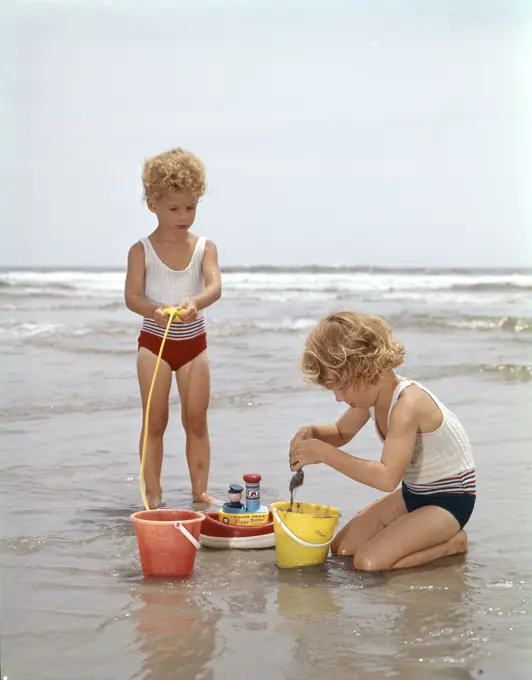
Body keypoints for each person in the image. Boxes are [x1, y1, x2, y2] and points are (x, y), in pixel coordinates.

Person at [289, 311, 475, 571]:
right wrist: (313, 433)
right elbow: (341, 432)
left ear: (364, 368)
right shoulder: (372, 396)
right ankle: (414, 530)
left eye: (341, 386)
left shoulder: (407, 405)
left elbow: (387, 478)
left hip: (449, 500)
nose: (338, 398)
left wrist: (324, 454)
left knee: (367, 563)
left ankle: (452, 544)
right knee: (341, 549)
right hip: (414, 494)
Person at [124, 147, 221, 508]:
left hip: (194, 347)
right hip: (154, 346)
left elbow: (215, 286)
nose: (184, 216)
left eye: (191, 207)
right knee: (155, 421)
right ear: (153, 204)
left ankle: (199, 491)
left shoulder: (204, 248)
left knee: (196, 420)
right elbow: (132, 297)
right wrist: (153, 310)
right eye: (174, 208)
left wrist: (196, 302)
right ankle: (152, 493)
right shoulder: (142, 250)